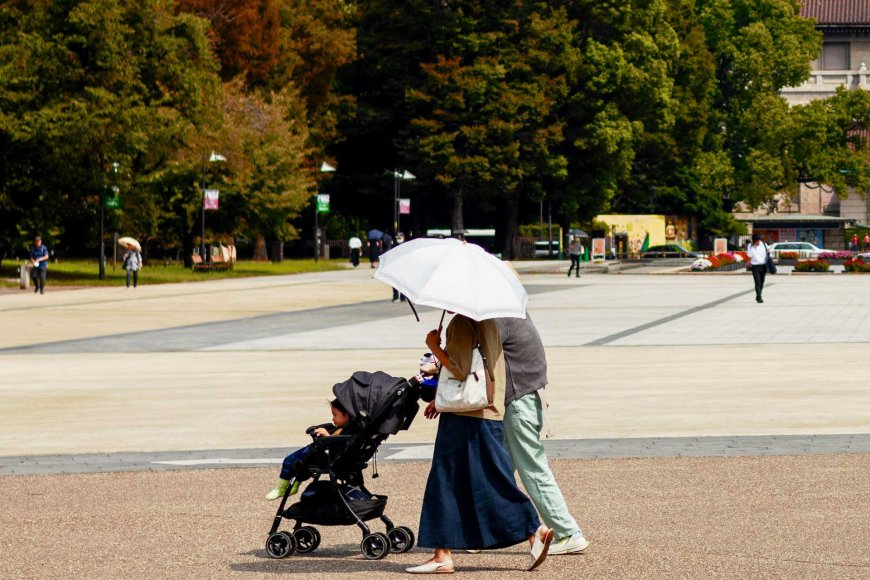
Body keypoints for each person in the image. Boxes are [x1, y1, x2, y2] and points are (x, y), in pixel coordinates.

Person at [408, 314, 553, 574]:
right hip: (486, 408)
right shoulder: (489, 321)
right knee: (479, 478)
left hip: (467, 416)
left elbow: (460, 368)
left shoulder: (462, 323)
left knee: (449, 479)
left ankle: (533, 530)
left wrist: (434, 347)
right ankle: (443, 552)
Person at [496, 314, 589, 555]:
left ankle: (568, 532)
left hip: (517, 401)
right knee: (497, 468)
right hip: (525, 397)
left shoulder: (500, 320)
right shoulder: (517, 314)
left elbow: (481, 359)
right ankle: (480, 531)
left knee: (532, 469)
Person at [264, 399, 353, 500]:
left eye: (335, 415)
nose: (333, 419)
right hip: (322, 453)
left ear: (347, 414)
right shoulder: (345, 427)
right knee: (291, 461)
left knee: (292, 462)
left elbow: (339, 447)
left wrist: (327, 436)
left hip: (325, 457)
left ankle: (283, 488)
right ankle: (285, 487)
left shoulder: (349, 431)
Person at [747, 233, 768, 304]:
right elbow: (749, 255)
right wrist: (753, 247)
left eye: (759, 241)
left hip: (763, 265)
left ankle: (758, 295)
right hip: (755, 266)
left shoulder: (764, 245)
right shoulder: (750, 246)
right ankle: (759, 297)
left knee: (762, 282)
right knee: (757, 282)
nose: (758, 242)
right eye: (756, 241)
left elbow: (767, 253)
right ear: (753, 241)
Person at [391, 232, 407, 303]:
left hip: (403, 266)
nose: (399, 238)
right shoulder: (393, 246)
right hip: (395, 266)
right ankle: (396, 296)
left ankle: (403, 297)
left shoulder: (406, 246)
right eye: (398, 237)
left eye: (400, 237)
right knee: (395, 282)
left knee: (403, 282)